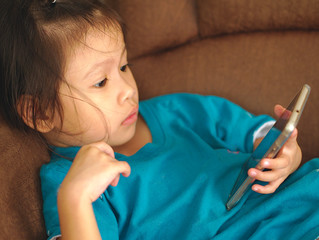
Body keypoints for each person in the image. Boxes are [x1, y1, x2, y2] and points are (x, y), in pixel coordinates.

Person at [1, 0, 319, 239]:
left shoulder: (177, 110)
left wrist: (289, 156)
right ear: (39, 112)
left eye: (124, 67)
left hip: (295, 198)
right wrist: (76, 199)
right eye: (100, 82)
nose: (127, 90)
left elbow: (265, 137)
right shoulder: (69, 182)